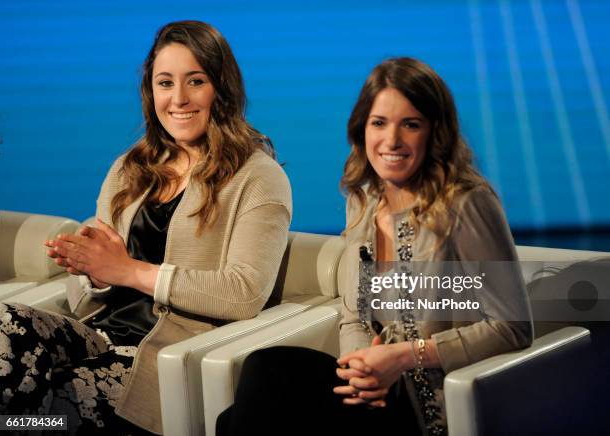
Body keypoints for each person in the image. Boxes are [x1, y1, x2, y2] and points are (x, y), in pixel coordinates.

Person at [0, 20, 291, 434]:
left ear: (221, 88)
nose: (179, 99)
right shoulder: (130, 167)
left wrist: (129, 271)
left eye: (196, 81)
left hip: (156, 356)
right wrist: (93, 276)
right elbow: (84, 297)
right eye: (165, 83)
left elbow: (244, 293)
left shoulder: (257, 176)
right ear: (150, 91)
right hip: (96, 333)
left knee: (34, 418)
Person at [217, 57, 532, 436]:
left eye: (410, 125)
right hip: (378, 396)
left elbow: (512, 327)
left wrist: (403, 357)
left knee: (261, 390)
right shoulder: (363, 201)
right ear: (361, 129)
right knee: (259, 379)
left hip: (432, 407)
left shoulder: (466, 203)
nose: (392, 140)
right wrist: (360, 368)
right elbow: (355, 316)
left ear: (435, 132)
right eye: (379, 123)